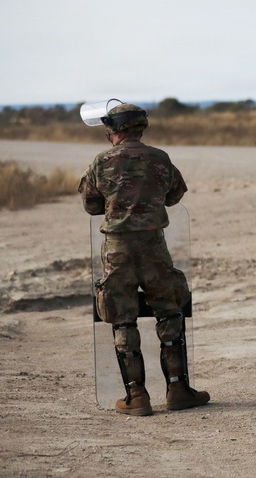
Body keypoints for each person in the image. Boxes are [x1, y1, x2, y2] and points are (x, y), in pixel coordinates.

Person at [78, 103, 210, 415]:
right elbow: (174, 194)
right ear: (140, 127)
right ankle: (178, 388)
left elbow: (90, 204)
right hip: (154, 246)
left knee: (121, 316)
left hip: (117, 250)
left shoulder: (101, 161)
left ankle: (136, 396)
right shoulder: (160, 157)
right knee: (169, 311)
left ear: (116, 129)